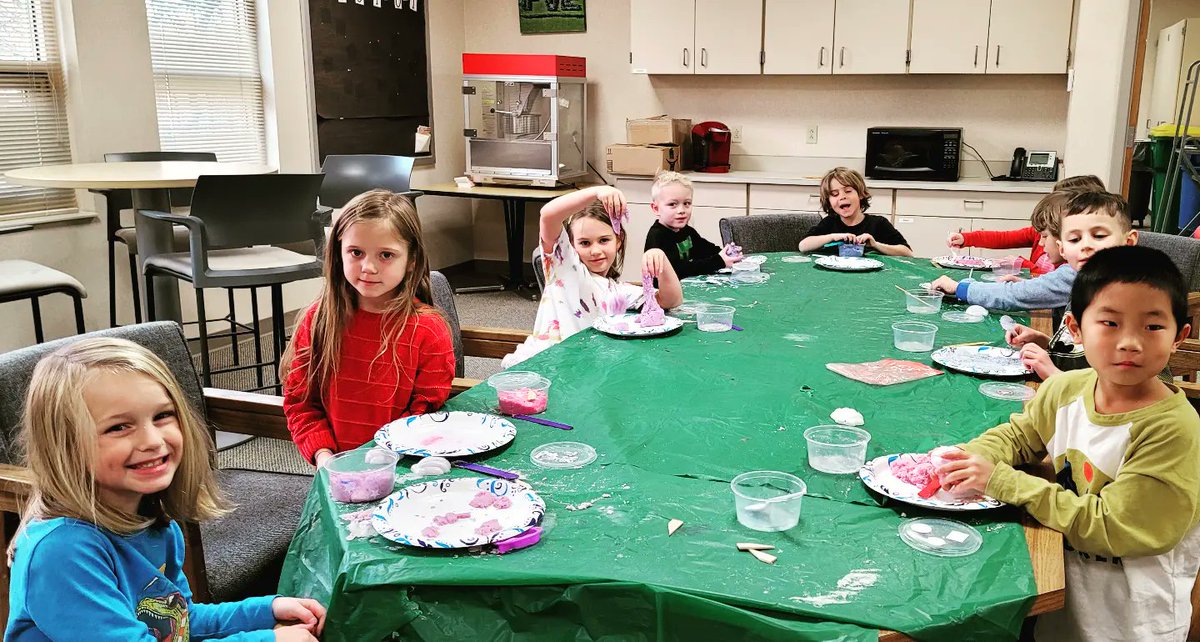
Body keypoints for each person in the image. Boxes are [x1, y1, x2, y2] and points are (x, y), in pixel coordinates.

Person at [935, 245, 1200, 641]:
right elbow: (1020, 436)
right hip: (1065, 601)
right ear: (1076, 330)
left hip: (1132, 622)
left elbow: (1116, 527)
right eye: (1110, 323)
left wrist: (1004, 483)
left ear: (1179, 336)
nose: (1130, 342)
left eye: (1152, 326)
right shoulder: (1067, 390)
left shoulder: (1173, 428)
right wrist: (973, 457)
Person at [6, 337, 326, 641]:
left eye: (161, 416)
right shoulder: (61, 554)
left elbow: (179, 623)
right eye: (119, 427)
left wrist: (265, 611)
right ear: (64, 447)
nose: (152, 441)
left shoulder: (157, 522)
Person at [283, 189, 455, 468]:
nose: (368, 267)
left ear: (411, 261)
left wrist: (386, 457)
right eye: (356, 252)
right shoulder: (318, 320)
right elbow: (301, 403)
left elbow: (425, 411)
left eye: (386, 255)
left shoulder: (428, 329)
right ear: (338, 253)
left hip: (402, 465)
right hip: (337, 470)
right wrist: (324, 457)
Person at [502, 185, 683, 368]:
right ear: (570, 246)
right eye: (585, 243)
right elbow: (548, 215)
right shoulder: (565, 268)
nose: (596, 251)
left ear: (618, 241)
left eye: (604, 240)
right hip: (543, 367)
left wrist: (662, 261)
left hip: (578, 369)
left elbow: (671, 300)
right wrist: (597, 192)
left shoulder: (617, 291)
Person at [1002, 191, 1139, 379]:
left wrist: (1052, 373)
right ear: (1062, 249)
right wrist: (1043, 340)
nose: (1085, 246)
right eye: (1075, 239)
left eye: (1098, 236)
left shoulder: (1126, 303)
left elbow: (1118, 386)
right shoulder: (1084, 287)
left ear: (1128, 242)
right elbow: (1083, 356)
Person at [930, 190, 1079, 310]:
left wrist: (959, 288)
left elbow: (1013, 295)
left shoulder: (1074, 274)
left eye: (1045, 236)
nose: (1040, 242)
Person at [945, 176, 1104, 276]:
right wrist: (966, 238)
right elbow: (1004, 238)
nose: (1042, 241)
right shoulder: (1040, 232)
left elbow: (1053, 285)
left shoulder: (1076, 255)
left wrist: (1025, 265)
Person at [643, 171, 741, 278]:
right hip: (662, 293)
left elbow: (705, 249)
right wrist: (719, 261)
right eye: (672, 204)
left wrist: (726, 253)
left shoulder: (687, 231)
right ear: (656, 208)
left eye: (686, 203)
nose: (681, 210)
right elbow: (678, 270)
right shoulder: (657, 237)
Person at [798, 167, 913, 256]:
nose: (842, 197)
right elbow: (803, 246)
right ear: (829, 201)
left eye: (848, 191)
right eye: (834, 194)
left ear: (861, 194)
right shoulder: (829, 223)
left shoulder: (879, 223)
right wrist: (832, 237)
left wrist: (875, 244)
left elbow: (908, 253)